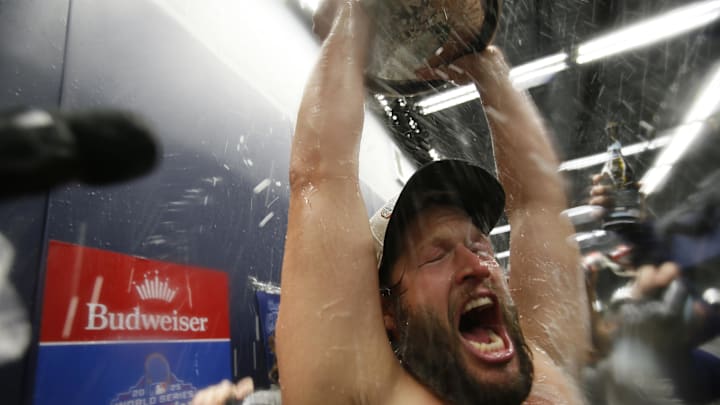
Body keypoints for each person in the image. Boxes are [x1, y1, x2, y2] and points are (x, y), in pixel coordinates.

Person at [276, 1, 590, 404]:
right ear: (387, 310)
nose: (476, 266)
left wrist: (481, 60)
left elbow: (536, 205)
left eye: (480, 246)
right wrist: (355, 14)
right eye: (436, 255)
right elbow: (320, 175)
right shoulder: (359, 395)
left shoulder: (547, 376)